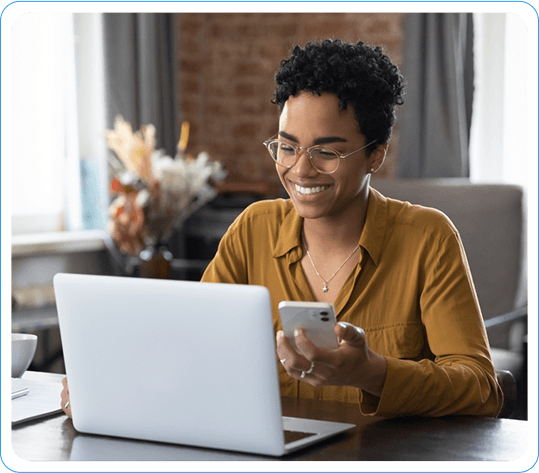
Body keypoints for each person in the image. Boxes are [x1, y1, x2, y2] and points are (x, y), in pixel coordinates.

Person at [61, 39, 502, 418]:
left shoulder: (428, 238)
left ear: (376, 155)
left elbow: (482, 387)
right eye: (286, 147)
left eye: (326, 152)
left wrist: (372, 372)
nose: (300, 170)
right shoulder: (254, 228)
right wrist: (109, 381)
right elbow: (188, 344)